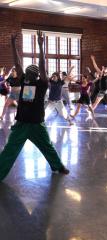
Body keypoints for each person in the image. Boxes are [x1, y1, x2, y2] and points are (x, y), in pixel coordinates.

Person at [0, 31, 69, 181]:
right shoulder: (24, 80)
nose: (26, 74)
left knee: (47, 147)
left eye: (29, 73)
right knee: (10, 150)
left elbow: (42, 65)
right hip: (22, 123)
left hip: (37, 124)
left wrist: (40, 46)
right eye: (26, 73)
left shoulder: (42, 84)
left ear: (35, 75)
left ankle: (58, 166)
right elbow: (18, 63)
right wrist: (12, 44)